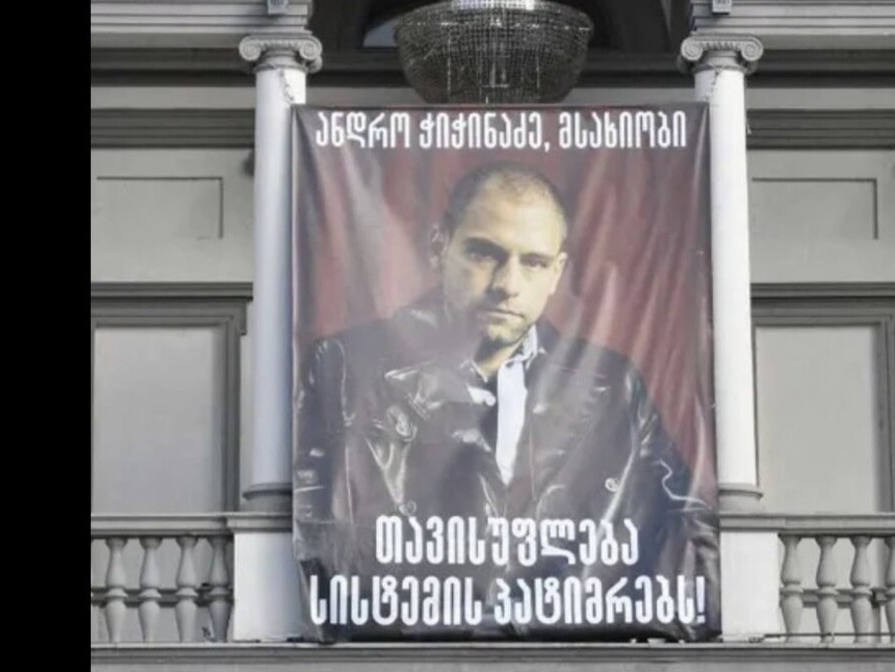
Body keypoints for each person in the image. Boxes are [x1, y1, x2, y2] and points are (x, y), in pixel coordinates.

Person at [293, 162, 718, 641]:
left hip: (571, 656)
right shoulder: (347, 366)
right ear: (440, 248)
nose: (507, 285)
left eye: (533, 262)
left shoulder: (612, 383)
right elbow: (320, 534)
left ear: (557, 272)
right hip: (409, 654)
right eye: (484, 254)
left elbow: (689, 525)